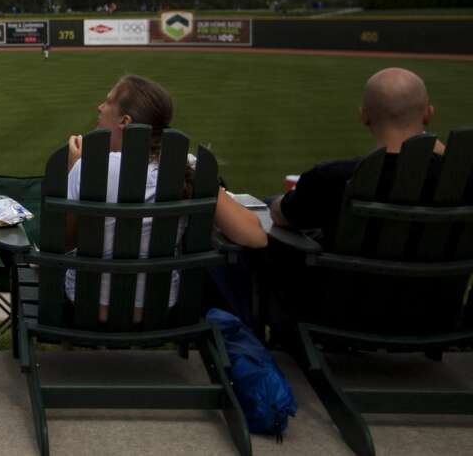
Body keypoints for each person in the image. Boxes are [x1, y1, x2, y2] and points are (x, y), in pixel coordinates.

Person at [64, 76, 267, 322]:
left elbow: (66, 242)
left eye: (107, 102)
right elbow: (254, 237)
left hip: (89, 305)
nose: (99, 107)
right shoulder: (186, 166)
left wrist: (75, 167)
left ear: (124, 121)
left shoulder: (89, 167)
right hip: (160, 308)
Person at [271, 67, 443, 247]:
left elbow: (281, 216)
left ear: (364, 116)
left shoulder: (331, 177)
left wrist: (277, 202)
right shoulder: (454, 179)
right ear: (428, 114)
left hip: (341, 265)